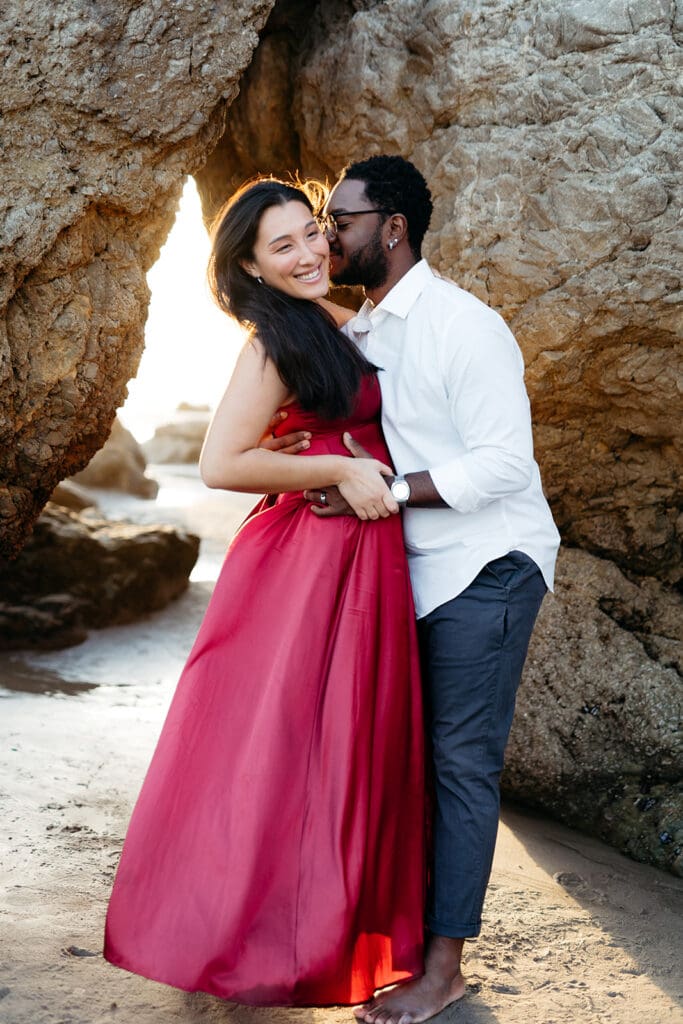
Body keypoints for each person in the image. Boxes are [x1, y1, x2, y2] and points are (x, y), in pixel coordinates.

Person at [103, 177, 427, 1007]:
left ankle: (319, 929)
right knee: (278, 747)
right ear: (249, 266)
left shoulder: (332, 320)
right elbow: (220, 463)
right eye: (281, 246)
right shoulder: (270, 341)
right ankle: (229, 938)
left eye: (311, 233)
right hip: (304, 562)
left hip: (360, 551)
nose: (310, 253)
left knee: (346, 744)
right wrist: (340, 468)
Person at [292, 155, 561, 1023]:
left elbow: (500, 465)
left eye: (341, 218)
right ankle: (397, 944)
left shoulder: (463, 326)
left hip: (488, 564)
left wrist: (387, 490)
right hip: (413, 572)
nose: (329, 233)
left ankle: (443, 970)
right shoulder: (367, 329)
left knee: (458, 766)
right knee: (399, 762)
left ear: (393, 227)